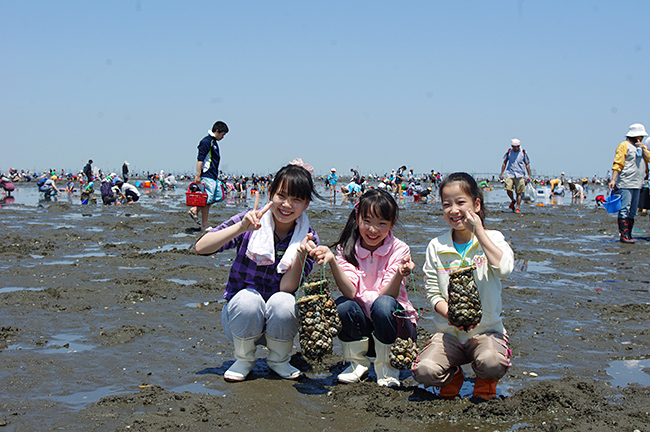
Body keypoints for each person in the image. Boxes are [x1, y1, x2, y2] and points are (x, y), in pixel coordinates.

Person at [194, 161, 321, 382]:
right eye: (281, 196)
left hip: (280, 322)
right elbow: (201, 247)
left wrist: (300, 254)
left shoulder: (308, 237)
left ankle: (279, 360)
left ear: (306, 204)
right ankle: (243, 359)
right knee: (248, 300)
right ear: (270, 193)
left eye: (296, 199)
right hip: (241, 316)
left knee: (284, 301)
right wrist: (241, 227)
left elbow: (287, 287)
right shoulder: (251, 220)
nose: (287, 205)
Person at [412, 172, 514, 400]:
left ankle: (486, 381)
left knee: (491, 362)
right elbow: (433, 292)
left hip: (486, 331)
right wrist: (452, 315)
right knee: (425, 370)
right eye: (446, 204)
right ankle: (453, 376)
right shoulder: (436, 246)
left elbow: (504, 269)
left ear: (476, 204)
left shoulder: (493, 238)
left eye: (460, 202)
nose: (453, 210)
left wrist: (479, 231)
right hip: (449, 333)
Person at [308, 189, 416, 387]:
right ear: (357, 219)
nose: (373, 230)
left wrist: (400, 273)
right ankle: (357, 363)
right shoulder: (346, 247)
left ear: (392, 224)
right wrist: (332, 261)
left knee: (383, 304)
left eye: (382, 223)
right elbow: (349, 292)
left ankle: (387, 367)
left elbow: (387, 296)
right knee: (342, 305)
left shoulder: (400, 249)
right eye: (367, 221)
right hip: (364, 328)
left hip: (395, 329)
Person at [609, 123, 650, 243]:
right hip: (626, 182)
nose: (641, 138)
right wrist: (613, 179)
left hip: (638, 183)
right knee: (625, 208)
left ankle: (629, 234)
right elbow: (618, 163)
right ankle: (623, 234)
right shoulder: (624, 146)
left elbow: (649, 158)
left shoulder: (641, 148)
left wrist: (643, 148)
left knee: (633, 210)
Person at [190, 121, 229, 230]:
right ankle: (204, 224)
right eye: (223, 134)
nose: (223, 137)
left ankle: (196, 209)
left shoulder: (214, 142)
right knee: (207, 199)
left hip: (214, 176)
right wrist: (198, 175)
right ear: (217, 131)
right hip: (207, 175)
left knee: (219, 196)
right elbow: (200, 159)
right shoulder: (206, 141)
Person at [499, 139, 531, 213]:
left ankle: (518, 207)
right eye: (513, 146)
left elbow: (527, 164)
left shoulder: (523, 153)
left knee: (519, 192)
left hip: (520, 174)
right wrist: (501, 173)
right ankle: (513, 200)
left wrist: (529, 175)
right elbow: (504, 162)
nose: (514, 148)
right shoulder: (509, 152)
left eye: (516, 147)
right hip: (510, 173)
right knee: (508, 189)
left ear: (519, 146)